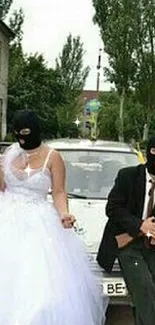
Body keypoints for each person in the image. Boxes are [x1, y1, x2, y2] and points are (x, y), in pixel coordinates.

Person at [0, 109, 108, 325]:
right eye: (18, 134)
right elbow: (2, 188)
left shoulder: (53, 156)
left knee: (40, 286)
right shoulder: (8, 155)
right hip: (7, 219)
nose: (22, 138)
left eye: (26, 133)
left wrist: (64, 213)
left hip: (39, 224)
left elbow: (58, 192)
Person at [97, 136, 155, 325]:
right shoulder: (128, 176)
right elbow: (112, 209)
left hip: (152, 246)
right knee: (145, 289)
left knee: (146, 296)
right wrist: (140, 225)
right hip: (127, 243)